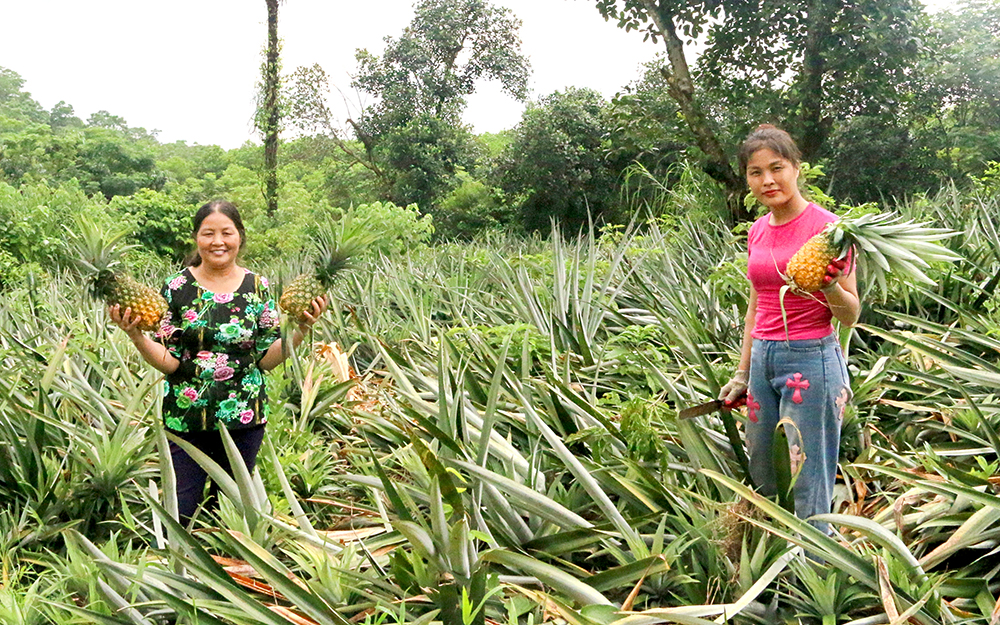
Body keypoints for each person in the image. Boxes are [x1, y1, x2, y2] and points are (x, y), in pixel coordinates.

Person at [109, 199, 328, 523]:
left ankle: (230, 572)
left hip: (244, 416)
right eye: (208, 233)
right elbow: (169, 361)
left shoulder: (257, 286)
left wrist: (302, 330)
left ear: (240, 235)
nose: (218, 241)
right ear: (197, 237)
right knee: (183, 508)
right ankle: (180, 568)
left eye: (226, 232)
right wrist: (136, 337)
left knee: (231, 510)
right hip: (186, 417)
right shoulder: (176, 287)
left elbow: (266, 360)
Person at [718, 125, 860, 533]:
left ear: (797, 168)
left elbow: (850, 316)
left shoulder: (831, 230)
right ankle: (774, 570)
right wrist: (743, 372)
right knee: (765, 469)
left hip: (810, 357)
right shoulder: (759, 229)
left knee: (807, 476)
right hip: (763, 356)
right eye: (755, 172)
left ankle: (815, 564)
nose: (767, 181)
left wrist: (830, 282)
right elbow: (756, 304)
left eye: (777, 168)